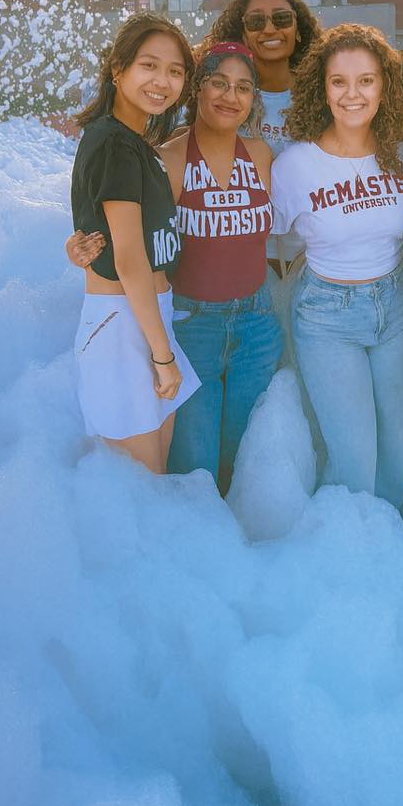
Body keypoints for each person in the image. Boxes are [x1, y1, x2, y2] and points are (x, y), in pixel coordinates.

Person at [270, 24, 403, 510]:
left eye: (366, 80)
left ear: (385, 86)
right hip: (327, 315)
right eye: (339, 81)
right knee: (355, 462)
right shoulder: (295, 165)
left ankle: (392, 547)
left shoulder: (400, 153)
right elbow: (265, 238)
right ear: (322, 88)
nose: (352, 94)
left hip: (399, 304)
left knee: (400, 453)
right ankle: (350, 547)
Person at [70, 13, 200, 473]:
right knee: (141, 484)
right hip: (122, 324)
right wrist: (163, 356)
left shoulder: (135, 142)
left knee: (152, 483)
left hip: (145, 317)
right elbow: (128, 259)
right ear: (118, 68)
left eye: (175, 71)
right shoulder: (115, 143)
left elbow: (100, 226)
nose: (162, 81)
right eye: (149, 65)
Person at [160, 42, 283, 491]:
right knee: (196, 470)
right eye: (219, 83)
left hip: (257, 325)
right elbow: (140, 246)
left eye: (243, 88)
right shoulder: (170, 159)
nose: (231, 96)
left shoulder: (261, 154)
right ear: (197, 87)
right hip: (193, 329)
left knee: (244, 466)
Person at [200, 0, 321, 272]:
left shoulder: (324, 94)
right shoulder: (222, 98)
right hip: (241, 257)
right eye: (256, 21)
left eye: (282, 19)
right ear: (242, 33)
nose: (269, 29)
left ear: (298, 28)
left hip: (315, 260)